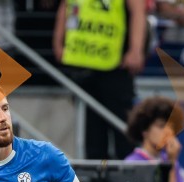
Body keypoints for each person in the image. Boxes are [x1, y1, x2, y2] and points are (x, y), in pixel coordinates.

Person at [53, 0, 147, 160]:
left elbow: (138, 11)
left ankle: (129, 179)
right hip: (81, 63)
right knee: (92, 136)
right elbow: (66, 6)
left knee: (124, 133)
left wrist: (135, 50)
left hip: (115, 66)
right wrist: (58, 43)